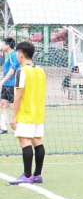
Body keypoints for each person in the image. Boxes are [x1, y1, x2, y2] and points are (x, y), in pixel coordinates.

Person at [8, 41, 47, 185]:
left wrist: (13, 115)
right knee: (37, 141)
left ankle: (27, 175)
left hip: (25, 112)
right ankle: (37, 175)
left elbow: (18, 95)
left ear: (20, 54)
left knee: (24, 141)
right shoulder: (41, 70)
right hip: (38, 112)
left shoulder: (22, 71)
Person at [0, 38, 21, 134]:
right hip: (6, 85)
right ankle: (4, 127)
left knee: (13, 106)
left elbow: (12, 71)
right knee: (3, 104)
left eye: (3, 44)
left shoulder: (13, 55)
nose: (1, 46)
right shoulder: (8, 56)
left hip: (12, 85)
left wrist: (2, 81)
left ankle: (21, 124)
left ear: (8, 45)